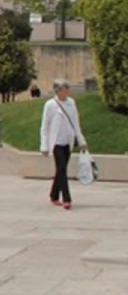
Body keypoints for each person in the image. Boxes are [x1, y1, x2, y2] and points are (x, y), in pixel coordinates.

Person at [40, 79, 88, 209]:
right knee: (62, 169)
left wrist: (81, 140)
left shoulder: (71, 103)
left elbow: (76, 123)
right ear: (59, 90)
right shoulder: (50, 105)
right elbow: (45, 126)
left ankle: (54, 194)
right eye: (65, 89)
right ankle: (66, 198)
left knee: (60, 170)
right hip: (56, 142)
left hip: (68, 141)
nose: (67, 91)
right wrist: (44, 145)